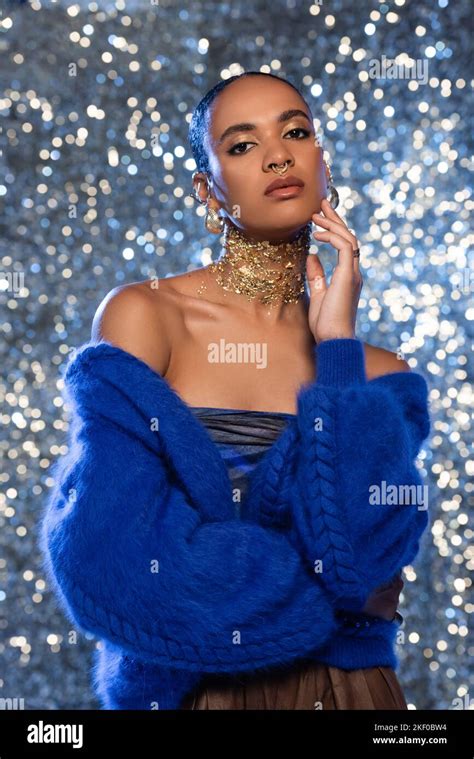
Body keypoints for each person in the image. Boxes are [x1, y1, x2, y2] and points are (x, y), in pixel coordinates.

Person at [39, 71, 431, 710]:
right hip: (197, 695)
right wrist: (326, 600)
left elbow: (365, 554)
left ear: (322, 163)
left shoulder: (377, 374)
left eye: (296, 132)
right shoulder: (148, 316)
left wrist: (336, 352)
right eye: (242, 145)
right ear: (208, 189)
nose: (279, 155)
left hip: (356, 695)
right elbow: (111, 558)